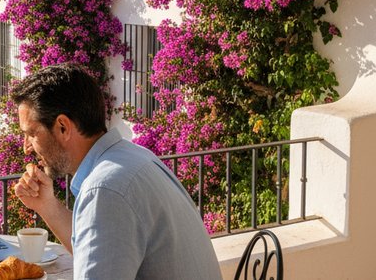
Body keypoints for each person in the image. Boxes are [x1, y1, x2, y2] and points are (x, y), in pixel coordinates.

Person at [12, 64, 221, 279]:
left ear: (63, 127)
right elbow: (105, 256)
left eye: (31, 134)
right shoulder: (133, 157)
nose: (26, 147)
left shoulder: (105, 189)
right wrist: (47, 206)